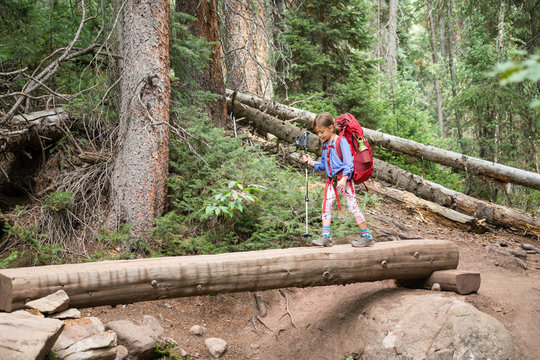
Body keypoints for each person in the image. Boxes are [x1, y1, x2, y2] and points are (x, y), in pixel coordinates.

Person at [302, 112, 374, 248]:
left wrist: (345, 178)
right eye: (318, 133)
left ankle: (367, 236)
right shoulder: (324, 145)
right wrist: (311, 162)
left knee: (353, 207)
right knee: (326, 207)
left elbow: (349, 163)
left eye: (322, 132)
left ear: (331, 127)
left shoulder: (342, 142)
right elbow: (323, 164)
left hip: (343, 180)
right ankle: (326, 237)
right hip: (331, 181)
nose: (320, 135)